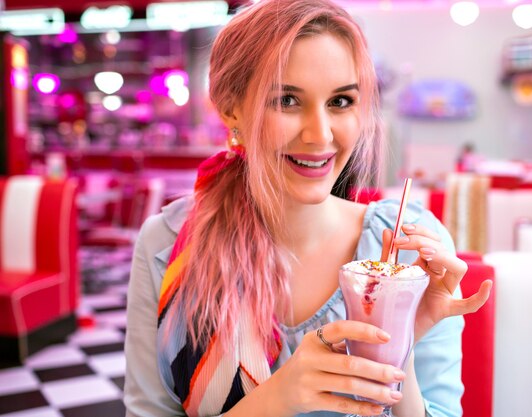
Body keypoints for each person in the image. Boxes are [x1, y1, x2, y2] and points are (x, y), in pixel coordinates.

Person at [123, 0, 492, 416]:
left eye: (340, 102)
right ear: (231, 109)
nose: (320, 135)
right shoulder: (168, 244)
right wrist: (278, 398)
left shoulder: (408, 247)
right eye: (287, 101)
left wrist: (397, 343)